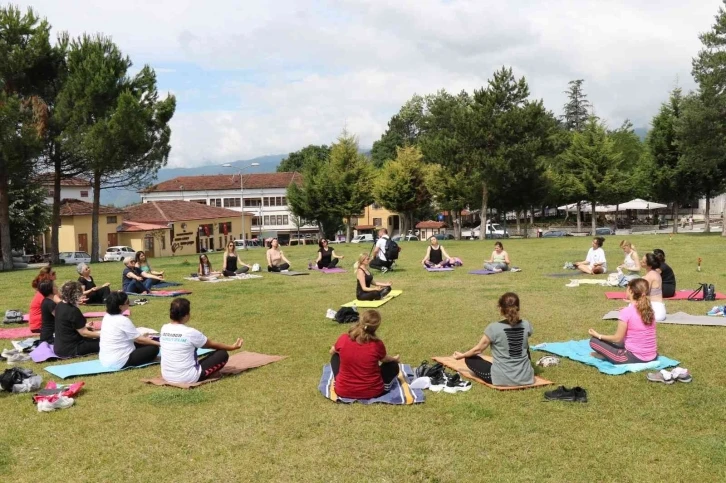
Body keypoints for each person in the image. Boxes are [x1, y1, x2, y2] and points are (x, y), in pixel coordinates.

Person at [453, 292, 535, 387]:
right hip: (526, 378)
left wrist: (462, 356)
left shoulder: (493, 328)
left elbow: (478, 350)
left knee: (470, 358)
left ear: (500, 309)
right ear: (518, 308)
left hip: (501, 378)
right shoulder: (526, 325)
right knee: (524, 345)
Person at [159, 298, 244, 384]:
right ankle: (205, 374)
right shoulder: (190, 332)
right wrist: (232, 347)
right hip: (188, 378)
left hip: (167, 375)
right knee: (222, 354)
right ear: (186, 315)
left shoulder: (164, 328)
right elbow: (212, 345)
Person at [329, 309, 400, 399]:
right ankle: (385, 385)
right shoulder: (377, 344)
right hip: (373, 392)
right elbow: (385, 359)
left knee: (335, 356)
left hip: (342, 391)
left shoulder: (344, 339)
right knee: (392, 365)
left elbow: (332, 351)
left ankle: (340, 381)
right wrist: (394, 359)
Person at [588, 278, 657, 364]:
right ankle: (607, 354)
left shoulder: (627, 312)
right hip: (652, 356)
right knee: (620, 342)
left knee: (594, 341)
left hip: (633, 357)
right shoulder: (649, 310)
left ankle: (607, 355)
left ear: (631, 291)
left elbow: (617, 338)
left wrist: (598, 335)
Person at [99, 291, 160, 369]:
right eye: (127, 302)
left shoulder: (106, 317)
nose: (129, 304)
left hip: (105, 359)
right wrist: (159, 344)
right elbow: (139, 339)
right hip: (120, 361)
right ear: (120, 307)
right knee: (153, 348)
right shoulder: (123, 320)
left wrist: (144, 339)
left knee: (147, 342)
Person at [54, 281, 101, 358]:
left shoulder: (59, 305)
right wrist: (103, 335)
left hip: (59, 347)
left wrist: (84, 326)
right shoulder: (73, 310)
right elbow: (84, 333)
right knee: (105, 342)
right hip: (72, 348)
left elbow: (67, 324)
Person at [29, 266, 59, 333]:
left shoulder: (47, 289)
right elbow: (60, 304)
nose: (55, 274)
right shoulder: (45, 292)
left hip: (42, 323)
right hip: (39, 325)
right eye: (53, 273)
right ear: (47, 276)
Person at [642, 253, 666, 322]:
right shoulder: (656, 273)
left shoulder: (650, 276)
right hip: (660, 309)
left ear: (649, 265)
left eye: (643, 261)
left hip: (655, 312)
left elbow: (643, 294)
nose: (641, 262)